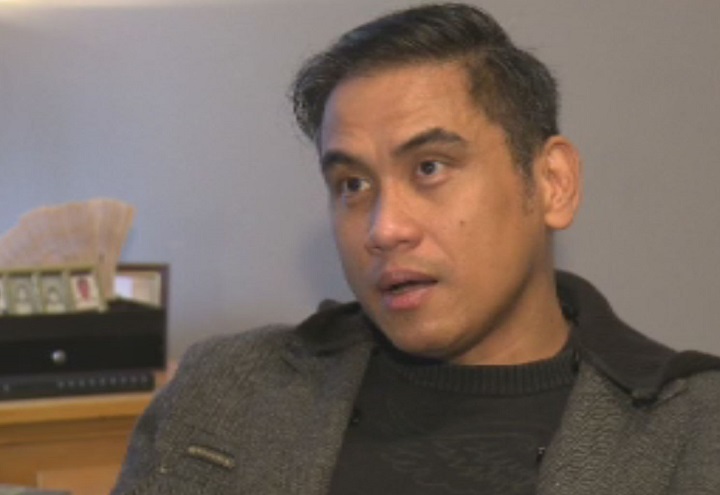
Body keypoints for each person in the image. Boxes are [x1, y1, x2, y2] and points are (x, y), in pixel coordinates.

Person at [113, 4, 720, 494]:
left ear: (552, 183)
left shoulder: (693, 430)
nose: (384, 229)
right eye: (353, 185)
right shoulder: (224, 391)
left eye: (430, 167)